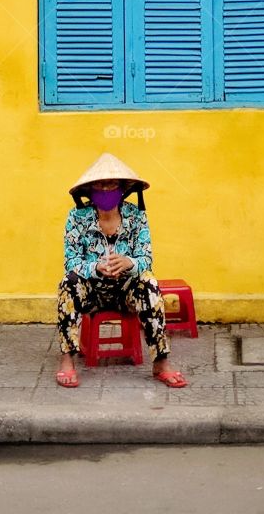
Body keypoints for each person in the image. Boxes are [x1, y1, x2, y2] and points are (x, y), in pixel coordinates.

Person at [55, 152, 187, 389]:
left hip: (127, 293)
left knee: (149, 281)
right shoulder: (76, 218)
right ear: (90, 190)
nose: (106, 189)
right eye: (100, 184)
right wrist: (95, 267)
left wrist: (129, 262)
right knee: (68, 281)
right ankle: (67, 360)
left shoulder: (137, 217)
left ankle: (161, 362)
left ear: (122, 188)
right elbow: (71, 261)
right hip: (91, 293)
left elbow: (146, 258)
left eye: (112, 184)